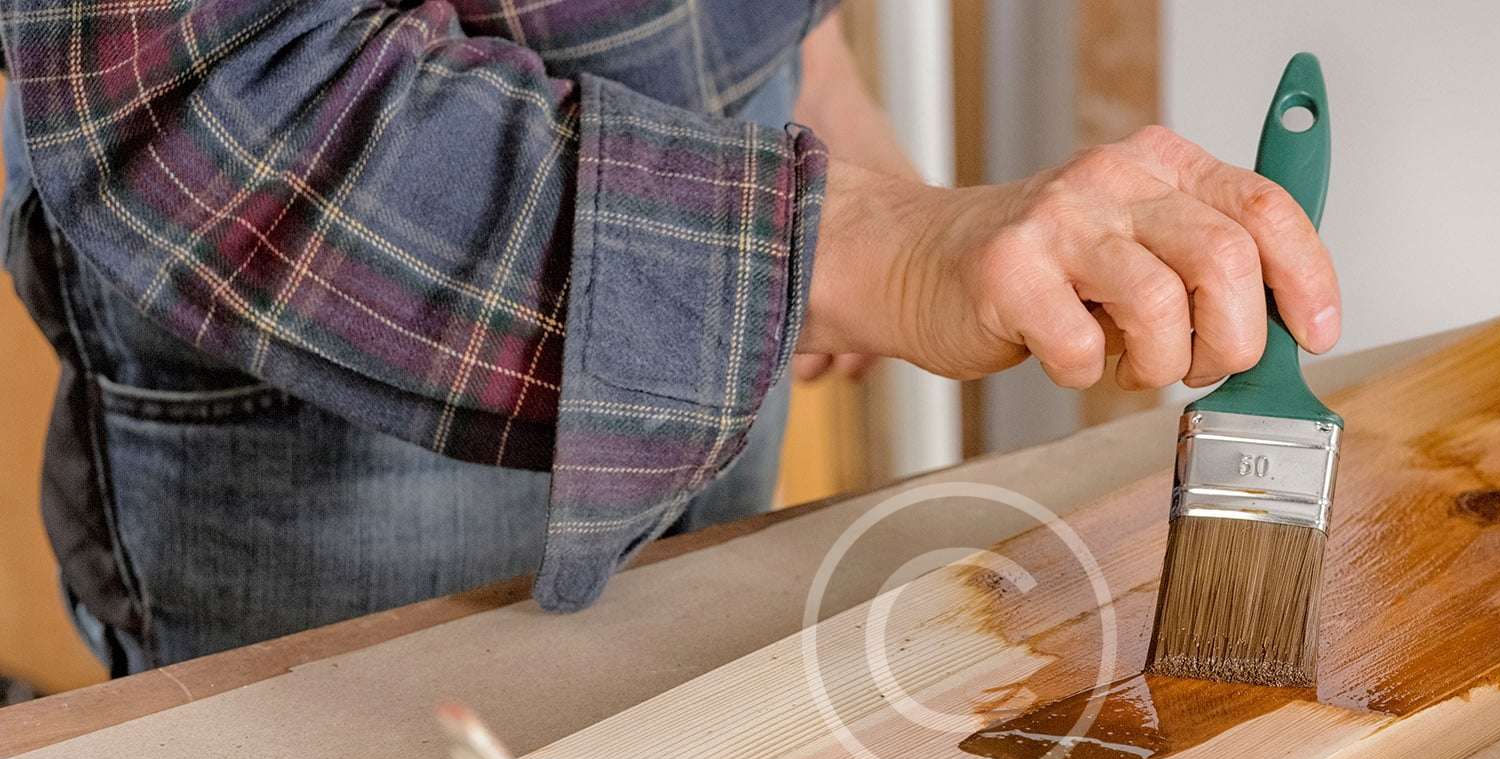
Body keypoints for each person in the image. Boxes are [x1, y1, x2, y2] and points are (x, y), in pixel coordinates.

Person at [0, 3, 1338, 675]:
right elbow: (208, 80)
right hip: (332, 337)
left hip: (738, 196)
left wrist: (807, 73)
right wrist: (855, 242)